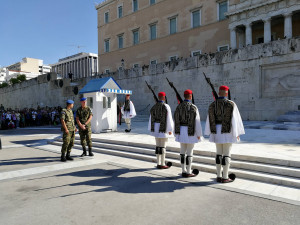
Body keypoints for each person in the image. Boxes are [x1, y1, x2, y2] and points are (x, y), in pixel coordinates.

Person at [204, 85, 245, 183]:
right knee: (226, 154)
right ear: (227, 93)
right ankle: (225, 177)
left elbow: (209, 120)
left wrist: (209, 132)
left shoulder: (212, 104)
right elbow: (235, 119)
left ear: (219, 93)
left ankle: (218, 175)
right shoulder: (231, 104)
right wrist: (237, 132)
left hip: (216, 131)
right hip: (227, 131)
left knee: (218, 154)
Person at [174, 89, 203, 177]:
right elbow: (197, 122)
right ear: (190, 96)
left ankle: (183, 170)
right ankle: (188, 171)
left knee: (182, 152)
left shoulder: (178, 107)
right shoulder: (193, 107)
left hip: (181, 131)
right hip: (190, 131)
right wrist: (199, 134)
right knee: (189, 152)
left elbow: (175, 120)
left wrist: (176, 133)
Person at [148, 92, 174, 169]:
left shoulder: (154, 107)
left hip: (155, 128)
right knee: (163, 147)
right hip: (163, 128)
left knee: (157, 146)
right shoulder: (166, 106)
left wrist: (151, 129)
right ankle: (162, 164)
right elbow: (169, 118)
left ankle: (158, 162)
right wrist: (170, 129)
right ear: (163, 97)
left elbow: (150, 118)